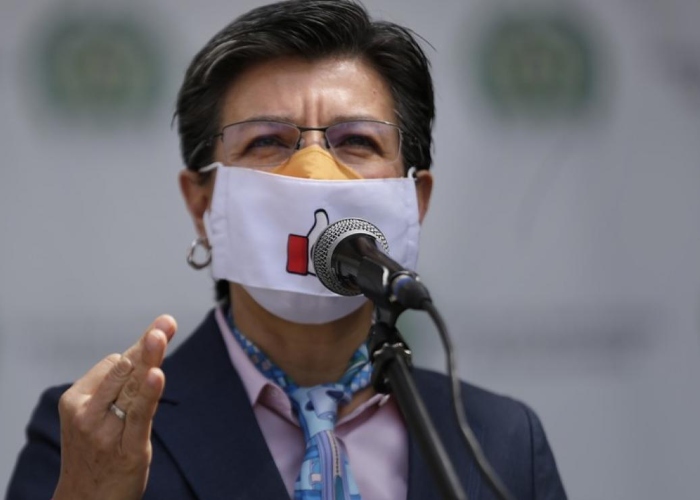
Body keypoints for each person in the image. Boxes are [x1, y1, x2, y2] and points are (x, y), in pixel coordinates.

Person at [6, 1, 567, 499]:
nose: (313, 174)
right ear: (203, 204)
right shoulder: (99, 437)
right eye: (267, 141)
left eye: (357, 141)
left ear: (413, 201)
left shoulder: (502, 442)